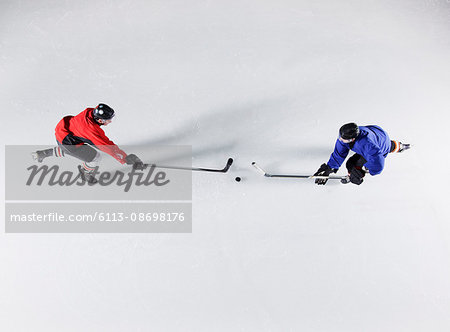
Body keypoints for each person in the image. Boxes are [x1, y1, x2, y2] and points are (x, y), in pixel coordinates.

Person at [31, 104, 144, 183]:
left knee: (71, 150)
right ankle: (85, 173)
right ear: (100, 120)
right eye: (109, 119)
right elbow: (107, 147)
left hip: (64, 132)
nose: (110, 121)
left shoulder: (90, 112)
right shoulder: (92, 131)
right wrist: (125, 158)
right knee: (95, 157)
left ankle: (43, 153)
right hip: (69, 141)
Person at [314, 123, 410, 185]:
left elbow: (378, 164)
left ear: (352, 139)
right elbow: (339, 153)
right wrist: (329, 167)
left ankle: (400, 147)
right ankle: (398, 146)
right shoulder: (343, 137)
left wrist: (362, 172)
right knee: (385, 144)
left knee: (351, 163)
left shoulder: (367, 145)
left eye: (343, 139)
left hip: (381, 143)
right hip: (376, 132)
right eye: (340, 137)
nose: (340, 140)